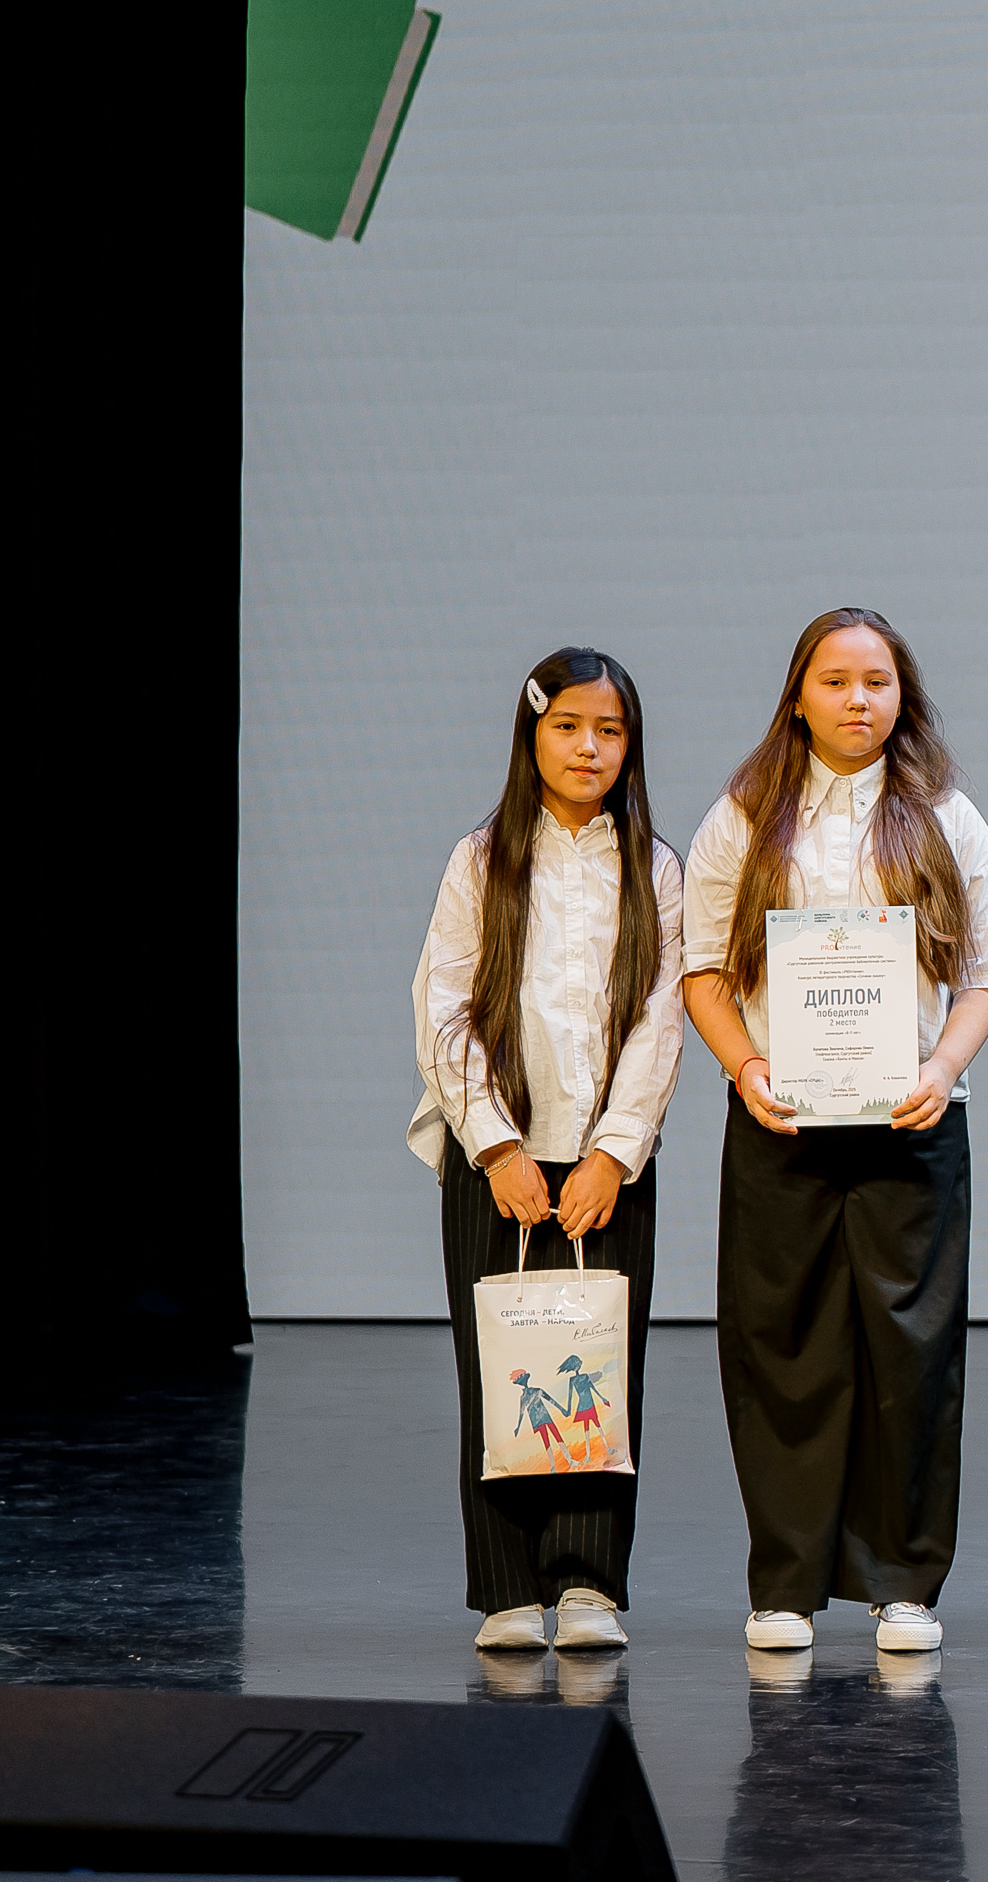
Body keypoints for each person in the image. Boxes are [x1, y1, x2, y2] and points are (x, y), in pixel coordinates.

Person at [682, 607, 988, 1655]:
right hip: (780, 1123)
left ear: (901, 695)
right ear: (798, 697)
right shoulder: (744, 815)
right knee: (780, 1347)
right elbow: (703, 969)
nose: (857, 700)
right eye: (835, 681)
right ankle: (784, 1585)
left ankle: (903, 1583)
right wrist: (746, 1067)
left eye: (876, 681)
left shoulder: (947, 815)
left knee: (912, 1356)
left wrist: (941, 1069)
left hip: (912, 1125)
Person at [411, 649, 685, 1653]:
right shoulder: (482, 858)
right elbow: (445, 1006)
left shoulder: (656, 866)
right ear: (531, 735)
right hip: (500, 1157)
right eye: (568, 726)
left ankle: (586, 1583)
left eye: (609, 731)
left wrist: (614, 1151)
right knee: (499, 1363)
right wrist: (495, 1145)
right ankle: (507, 1588)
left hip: (608, 1162)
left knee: (597, 1366)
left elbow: (661, 1017)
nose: (588, 748)